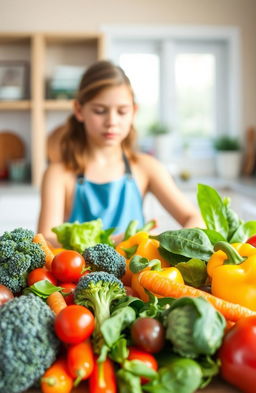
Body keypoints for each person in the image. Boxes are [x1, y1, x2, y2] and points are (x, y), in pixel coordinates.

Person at [37, 60, 203, 246]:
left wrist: (170, 244)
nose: (112, 121)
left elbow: (192, 216)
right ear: (79, 110)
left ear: (134, 112)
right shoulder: (58, 174)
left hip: (137, 275)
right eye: (100, 111)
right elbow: (45, 241)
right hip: (79, 275)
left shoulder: (146, 167)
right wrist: (113, 242)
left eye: (122, 112)